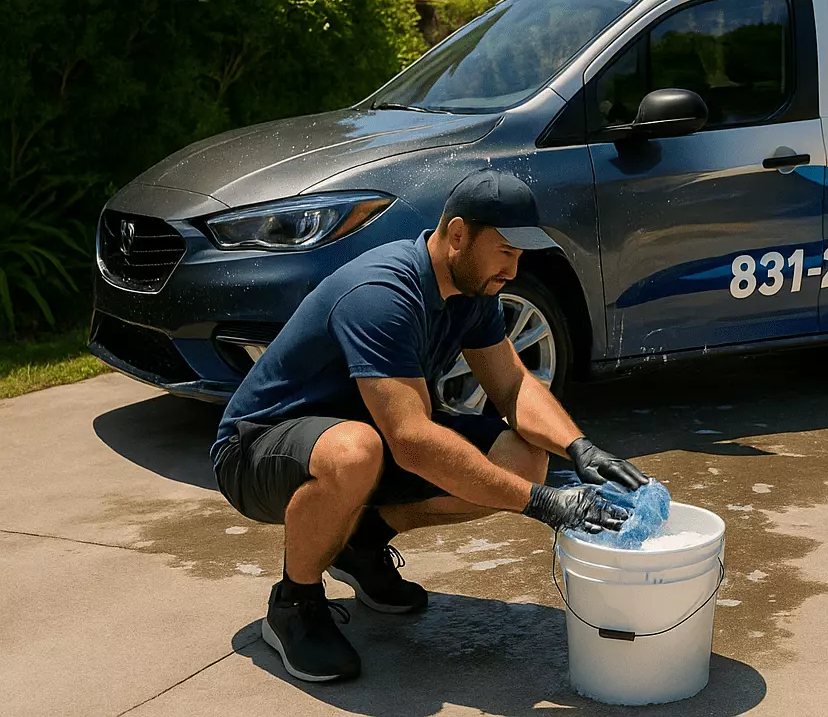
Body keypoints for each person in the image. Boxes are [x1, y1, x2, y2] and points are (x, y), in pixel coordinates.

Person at [210, 168, 649, 683]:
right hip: (258, 449)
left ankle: (360, 542)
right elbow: (412, 442)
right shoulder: (383, 294)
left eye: (520, 255)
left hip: (371, 439)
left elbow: (512, 386)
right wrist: (542, 504)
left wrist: (580, 449)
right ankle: (295, 602)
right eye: (505, 251)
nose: (514, 269)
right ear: (459, 235)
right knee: (358, 450)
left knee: (524, 457)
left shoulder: (475, 291)